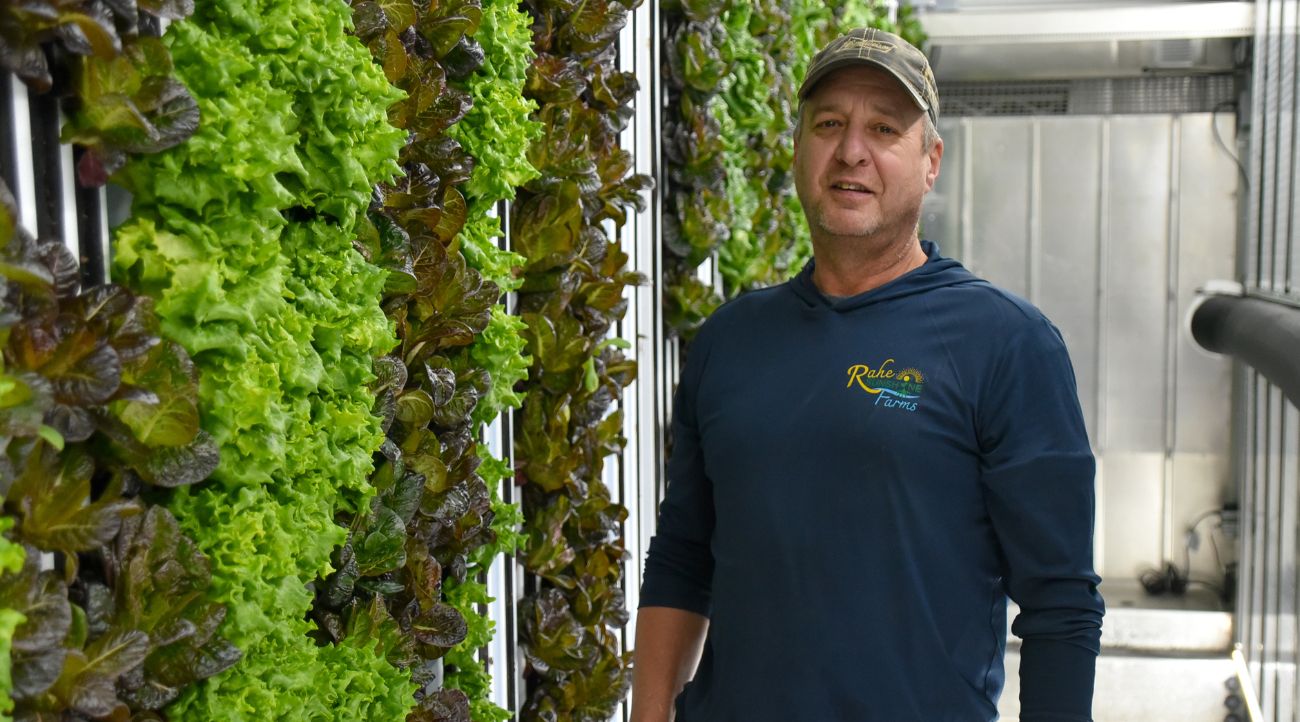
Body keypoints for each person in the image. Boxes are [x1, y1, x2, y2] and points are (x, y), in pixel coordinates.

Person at [630, 27, 1105, 722]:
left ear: (931, 160)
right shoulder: (729, 340)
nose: (851, 151)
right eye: (829, 124)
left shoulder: (1007, 344)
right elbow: (682, 554)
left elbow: (1061, 601)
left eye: (884, 128)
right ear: (798, 148)